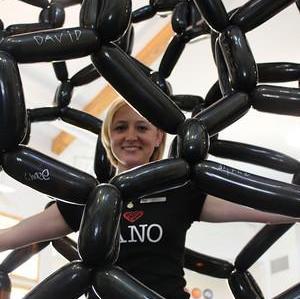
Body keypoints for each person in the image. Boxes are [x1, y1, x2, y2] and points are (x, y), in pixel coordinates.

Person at [0, 98, 299, 299]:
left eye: (142, 127)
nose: (131, 135)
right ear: (109, 139)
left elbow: (261, 207)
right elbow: (13, 234)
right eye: (120, 127)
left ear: (158, 137)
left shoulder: (182, 191)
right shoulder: (90, 199)